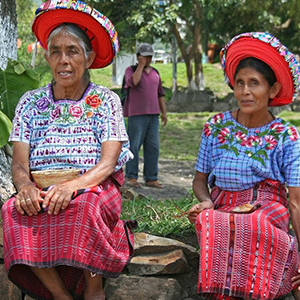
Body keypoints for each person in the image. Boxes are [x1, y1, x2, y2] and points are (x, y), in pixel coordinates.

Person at [1, 1, 135, 300]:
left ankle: (93, 290)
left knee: (83, 208)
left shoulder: (106, 100)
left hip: (94, 186)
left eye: (72, 51)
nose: (64, 60)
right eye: (56, 52)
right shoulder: (29, 102)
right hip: (42, 187)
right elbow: (20, 163)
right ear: (47, 58)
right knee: (12, 211)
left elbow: (108, 163)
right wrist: (24, 187)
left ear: (88, 59)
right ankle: (60, 295)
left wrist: (73, 186)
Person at [188, 32, 300, 300]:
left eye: (254, 83)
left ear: (272, 90)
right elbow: (200, 181)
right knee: (210, 220)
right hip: (224, 203)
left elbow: (295, 201)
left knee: (255, 225)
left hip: (268, 206)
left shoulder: (287, 135)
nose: (245, 91)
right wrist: (206, 201)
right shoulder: (215, 127)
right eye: (239, 83)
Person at [123, 43, 168, 188]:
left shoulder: (155, 73)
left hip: (153, 115)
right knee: (134, 146)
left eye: (149, 57)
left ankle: (151, 177)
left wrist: (164, 113)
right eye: (144, 56)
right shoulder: (131, 70)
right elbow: (134, 82)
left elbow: (160, 94)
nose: (147, 59)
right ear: (138, 57)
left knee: (153, 147)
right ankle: (131, 176)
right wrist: (140, 66)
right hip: (136, 114)